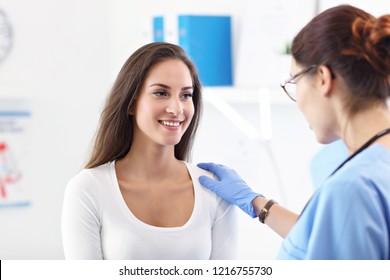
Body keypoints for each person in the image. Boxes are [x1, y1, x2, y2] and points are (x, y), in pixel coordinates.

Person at [198, 4, 390, 260]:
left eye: (294, 82)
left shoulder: (352, 188)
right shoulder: (372, 169)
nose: (296, 99)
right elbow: (326, 240)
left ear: (323, 78)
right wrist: (258, 203)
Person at [61, 42, 237, 260]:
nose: (176, 109)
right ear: (131, 103)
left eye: (186, 95)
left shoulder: (214, 190)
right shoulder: (88, 188)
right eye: (161, 93)